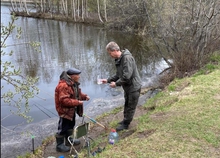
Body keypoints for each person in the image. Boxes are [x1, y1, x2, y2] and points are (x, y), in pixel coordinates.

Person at [102, 41, 142, 132]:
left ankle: (126, 124)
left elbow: (126, 76)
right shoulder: (119, 59)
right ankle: (125, 120)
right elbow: (118, 75)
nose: (110, 55)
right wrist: (108, 80)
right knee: (127, 104)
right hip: (128, 87)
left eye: (110, 53)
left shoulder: (127, 58)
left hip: (134, 86)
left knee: (131, 105)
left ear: (115, 50)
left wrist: (116, 84)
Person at [54, 68, 90, 152]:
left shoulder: (72, 83)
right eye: (78, 75)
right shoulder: (63, 85)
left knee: (71, 125)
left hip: (71, 110)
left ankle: (69, 140)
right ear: (73, 76)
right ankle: (59, 145)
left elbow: (77, 93)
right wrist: (77, 102)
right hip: (64, 111)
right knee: (63, 128)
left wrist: (84, 97)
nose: (79, 77)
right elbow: (64, 101)